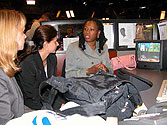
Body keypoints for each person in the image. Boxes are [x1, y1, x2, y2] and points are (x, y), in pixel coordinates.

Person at [15, 25, 65, 110]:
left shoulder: (52, 58)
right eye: (55, 41)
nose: (57, 44)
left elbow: (51, 87)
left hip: (45, 101)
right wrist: (54, 107)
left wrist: (61, 103)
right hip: (29, 105)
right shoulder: (28, 63)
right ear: (45, 44)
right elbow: (31, 96)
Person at [0, 9, 26, 124]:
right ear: (10, 35)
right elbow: (6, 121)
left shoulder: (5, 67)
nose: (25, 36)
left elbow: (18, 109)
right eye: (23, 31)